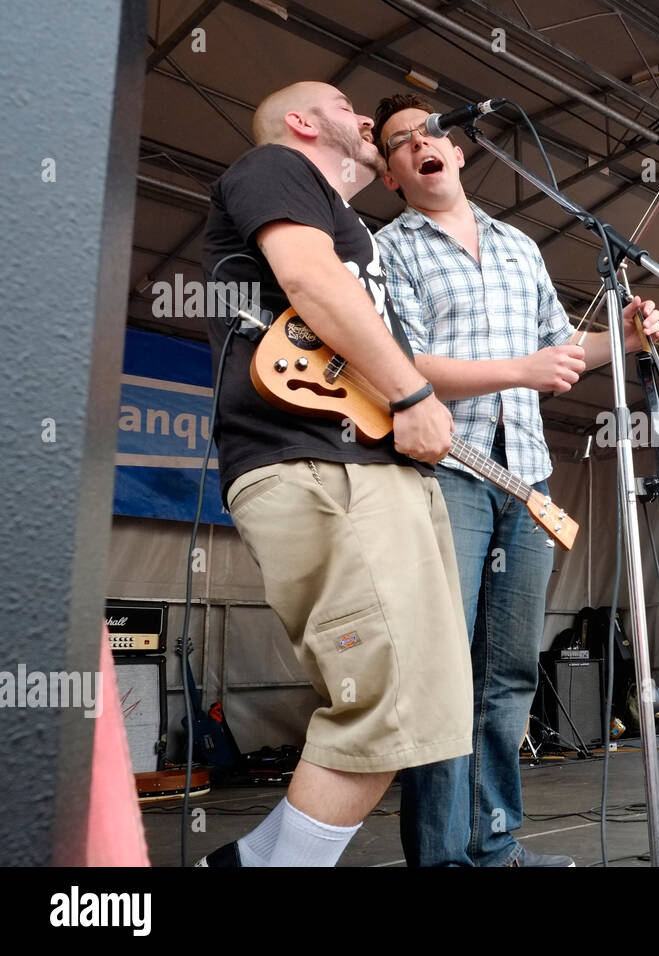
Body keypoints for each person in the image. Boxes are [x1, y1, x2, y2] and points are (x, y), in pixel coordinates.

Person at [371, 92, 659, 867]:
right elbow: (399, 365)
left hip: (524, 479)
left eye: (431, 131)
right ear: (393, 175)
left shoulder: (518, 245)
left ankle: (493, 847)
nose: (419, 144)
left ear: (460, 150)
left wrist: (622, 338)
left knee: (507, 674)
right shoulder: (388, 247)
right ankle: (440, 858)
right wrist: (520, 370)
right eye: (399, 143)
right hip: (448, 473)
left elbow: (558, 353)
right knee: (442, 673)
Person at [197, 82, 472, 866]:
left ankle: (252, 862)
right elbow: (312, 285)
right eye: (346, 105)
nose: (364, 119)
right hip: (319, 459)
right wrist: (412, 394)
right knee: (387, 702)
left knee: (417, 700)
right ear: (300, 121)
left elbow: (368, 342)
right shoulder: (275, 167)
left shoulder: (352, 222)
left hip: (368, 464)